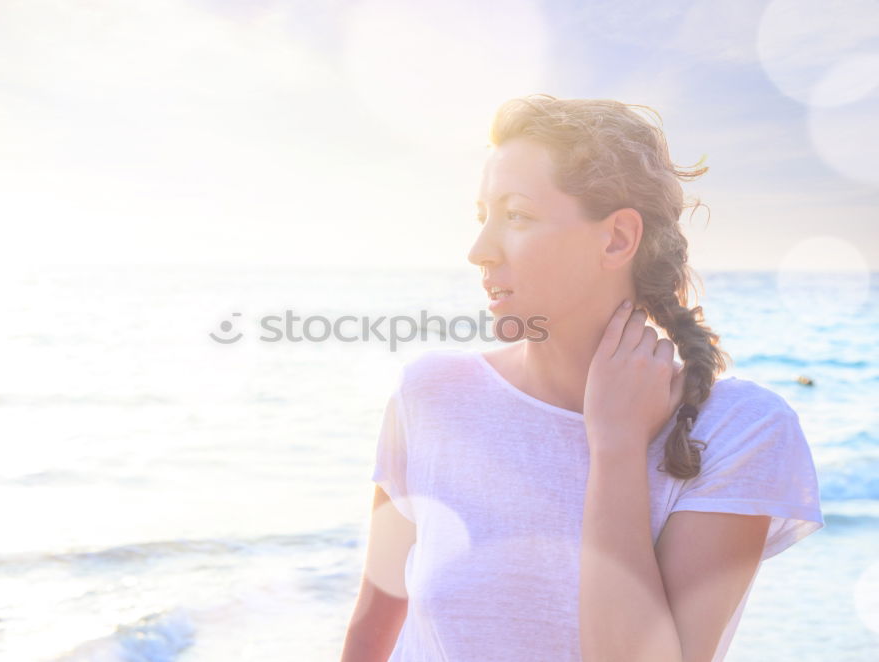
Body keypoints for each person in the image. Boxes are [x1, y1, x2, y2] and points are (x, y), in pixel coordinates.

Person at [340, 94, 825, 662]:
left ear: (617, 238)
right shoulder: (430, 396)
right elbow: (373, 633)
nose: (478, 250)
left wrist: (616, 447)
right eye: (482, 217)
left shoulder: (739, 433)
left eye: (516, 215)